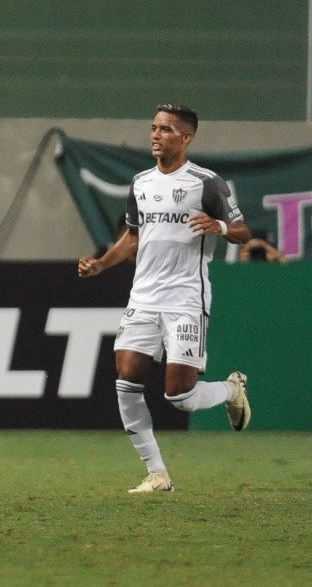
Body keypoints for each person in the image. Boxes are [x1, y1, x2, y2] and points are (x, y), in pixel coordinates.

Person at [77, 103, 254, 494]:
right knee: (126, 379)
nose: (156, 135)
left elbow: (244, 232)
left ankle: (230, 389)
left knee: (180, 396)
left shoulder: (207, 183)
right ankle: (156, 473)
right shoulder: (140, 182)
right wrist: (103, 264)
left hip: (186, 298)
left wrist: (220, 225)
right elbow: (134, 237)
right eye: (153, 128)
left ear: (186, 137)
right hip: (143, 297)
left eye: (166, 130)